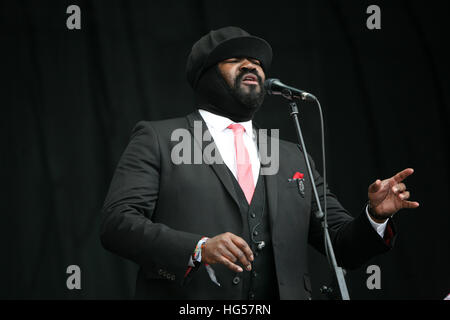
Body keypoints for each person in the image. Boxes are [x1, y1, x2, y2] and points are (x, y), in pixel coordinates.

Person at [100, 26, 419, 300]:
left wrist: (374, 216)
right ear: (205, 75)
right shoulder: (159, 138)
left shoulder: (292, 155)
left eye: (256, 62)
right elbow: (117, 223)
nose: (251, 65)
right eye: (235, 59)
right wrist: (197, 249)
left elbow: (341, 244)